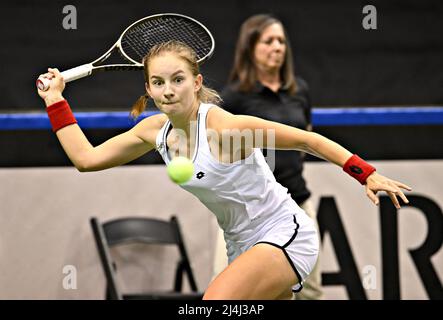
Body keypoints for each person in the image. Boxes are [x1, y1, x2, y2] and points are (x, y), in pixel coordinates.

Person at [37, 40, 411, 300]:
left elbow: (307, 140)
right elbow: (86, 159)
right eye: (158, 82)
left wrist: (366, 173)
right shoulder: (154, 132)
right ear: (148, 89)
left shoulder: (225, 128)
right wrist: (55, 100)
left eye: (178, 79)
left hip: (283, 233)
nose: (168, 90)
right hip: (241, 246)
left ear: (197, 83)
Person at [216, 14, 321, 299]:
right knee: (234, 296)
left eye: (282, 41)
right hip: (247, 213)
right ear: (250, 48)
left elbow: (306, 137)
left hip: (297, 203)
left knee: (309, 292)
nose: (277, 47)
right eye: (268, 41)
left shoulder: (300, 91)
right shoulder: (234, 98)